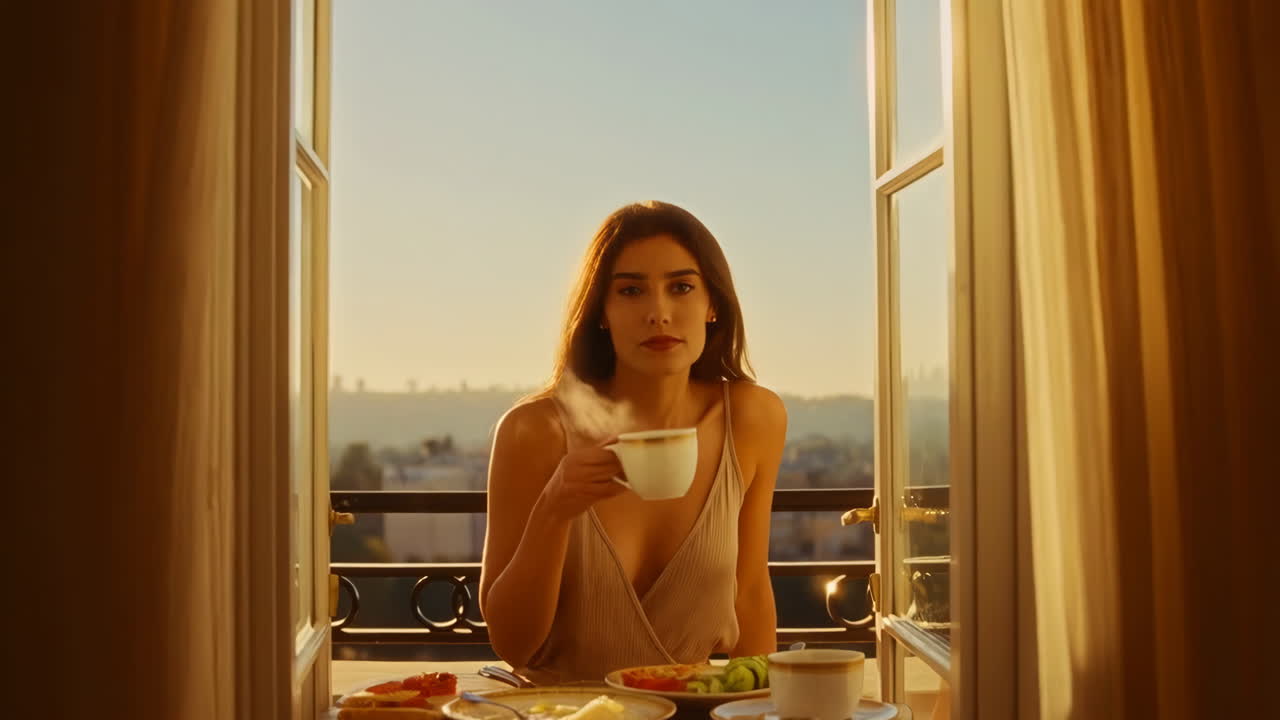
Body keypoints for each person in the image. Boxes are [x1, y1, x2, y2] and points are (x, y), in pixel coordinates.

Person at [478, 200, 787, 683]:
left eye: (681, 287)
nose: (659, 313)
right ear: (601, 311)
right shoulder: (534, 431)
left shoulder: (752, 418)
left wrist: (765, 705)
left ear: (712, 305)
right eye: (631, 291)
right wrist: (556, 506)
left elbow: (750, 593)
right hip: (562, 715)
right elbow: (512, 643)